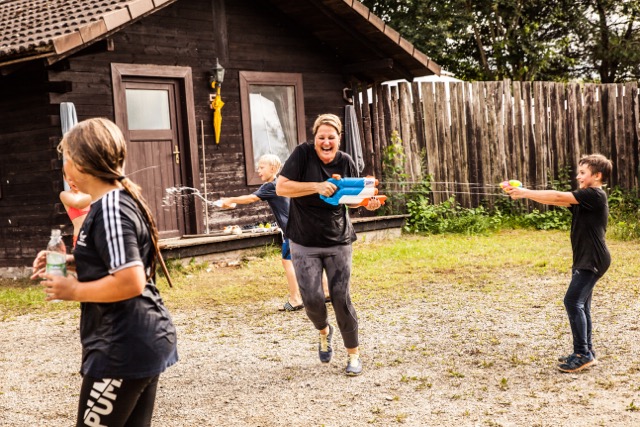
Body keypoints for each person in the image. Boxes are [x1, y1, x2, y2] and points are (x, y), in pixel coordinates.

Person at [31, 117, 178, 426]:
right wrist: (72, 261)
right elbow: (116, 259)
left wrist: (73, 290)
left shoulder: (111, 207)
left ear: (82, 164)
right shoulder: (110, 202)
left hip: (123, 346)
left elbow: (131, 281)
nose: (64, 167)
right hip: (138, 340)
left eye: (66, 159)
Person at [276, 113, 382, 376]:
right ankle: (324, 331)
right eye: (321, 137)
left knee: (340, 298)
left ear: (338, 139)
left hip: (338, 239)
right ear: (315, 139)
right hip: (303, 240)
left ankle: (353, 355)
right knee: (311, 299)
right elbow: (281, 188)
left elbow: (353, 199)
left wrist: (367, 203)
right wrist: (317, 186)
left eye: (331, 137)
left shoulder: (345, 161)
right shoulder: (301, 155)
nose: (326, 142)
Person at [505, 154, 612, 373]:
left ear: (597, 175)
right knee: (582, 305)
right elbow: (555, 199)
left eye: (583, 172)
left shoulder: (594, 195)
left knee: (572, 302)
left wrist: (524, 192)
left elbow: (556, 194)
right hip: (586, 258)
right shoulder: (584, 198)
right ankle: (586, 352)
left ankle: (582, 354)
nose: (578, 176)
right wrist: (524, 194)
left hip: (592, 259)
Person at [220, 154, 329, 312]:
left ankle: (296, 299)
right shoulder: (284, 184)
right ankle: (326, 292)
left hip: (292, 230)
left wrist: (230, 200)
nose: (258, 171)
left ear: (273, 169)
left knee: (288, 262)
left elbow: (251, 198)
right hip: (304, 226)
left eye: (261, 167)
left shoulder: (271, 186)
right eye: (258, 167)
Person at [60, 172, 91, 248]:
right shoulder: (64, 195)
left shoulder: (88, 193)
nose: (75, 181)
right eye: (70, 179)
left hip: (97, 236)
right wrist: (97, 193)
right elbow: (78, 204)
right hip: (81, 238)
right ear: (65, 178)